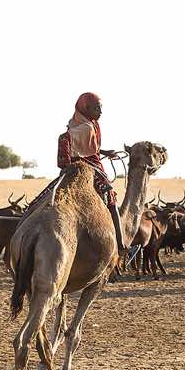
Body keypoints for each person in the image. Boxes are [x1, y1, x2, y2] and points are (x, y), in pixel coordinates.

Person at [58, 92, 126, 251]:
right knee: (111, 200)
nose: (100, 112)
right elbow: (66, 138)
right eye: (96, 108)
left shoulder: (79, 123)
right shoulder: (88, 126)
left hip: (73, 168)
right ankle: (121, 245)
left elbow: (83, 145)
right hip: (90, 169)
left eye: (101, 108)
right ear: (86, 109)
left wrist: (102, 152)